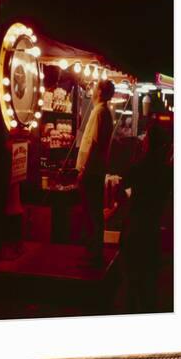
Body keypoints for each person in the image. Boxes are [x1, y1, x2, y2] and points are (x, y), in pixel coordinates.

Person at [119, 115, 173, 313]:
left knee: (132, 285)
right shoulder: (167, 173)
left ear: (149, 143)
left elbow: (122, 188)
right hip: (152, 231)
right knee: (149, 286)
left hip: (135, 229)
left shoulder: (138, 167)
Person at [76, 80, 115, 264]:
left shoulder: (100, 112)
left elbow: (95, 142)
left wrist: (85, 168)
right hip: (96, 169)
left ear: (99, 91)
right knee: (93, 212)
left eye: (94, 88)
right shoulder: (104, 111)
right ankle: (94, 250)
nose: (91, 91)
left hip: (93, 170)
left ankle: (94, 253)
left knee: (91, 212)